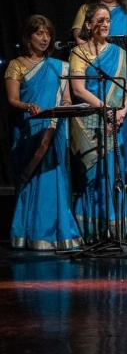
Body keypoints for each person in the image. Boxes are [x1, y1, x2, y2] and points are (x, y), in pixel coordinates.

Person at [5, 15, 82, 250]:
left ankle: (57, 234)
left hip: (54, 129)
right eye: (39, 33)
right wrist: (29, 106)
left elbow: (67, 98)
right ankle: (29, 233)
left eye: (48, 34)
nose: (45, 38)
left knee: (54, 181)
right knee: (31, 181)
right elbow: (12, 100)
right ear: (28, 37)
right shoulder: (16, 65)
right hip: (30, 130)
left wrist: (68, 106)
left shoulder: (60, 67)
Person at [68, 4, 127, 242]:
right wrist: (107, 110)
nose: (105, 25)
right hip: (89, 122)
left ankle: (115, 233)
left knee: (113, 175)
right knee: (93, 177)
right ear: (88, 24)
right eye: (100, 20)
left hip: (116, 122)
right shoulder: (79, 52)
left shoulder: (121, 53)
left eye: (108, 20)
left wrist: (122, 111)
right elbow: (78, 89)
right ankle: (92, 233)